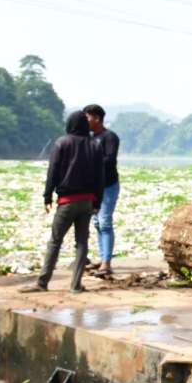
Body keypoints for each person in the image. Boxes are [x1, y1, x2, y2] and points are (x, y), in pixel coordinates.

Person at [20, 110, 105, 293]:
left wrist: (47, 196)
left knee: (55, 241)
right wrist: (98, 202)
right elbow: (100, 177)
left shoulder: (62, 142)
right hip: (87, 201)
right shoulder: (95, 145)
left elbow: (53, 171)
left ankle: (42, 282)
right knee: (82, 242)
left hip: (67, 201)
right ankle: (76, 285)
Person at [85, 103, 119, 276]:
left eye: (88, 117)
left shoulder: (109, 137)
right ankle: (103, 257)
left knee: (104, 221)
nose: (86, 120)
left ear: (97, 118)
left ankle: (106, 263)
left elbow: (109, 160)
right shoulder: (89, 137)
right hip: (94, 187)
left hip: (108, 186)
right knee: (97, 223)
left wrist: (89, 164)